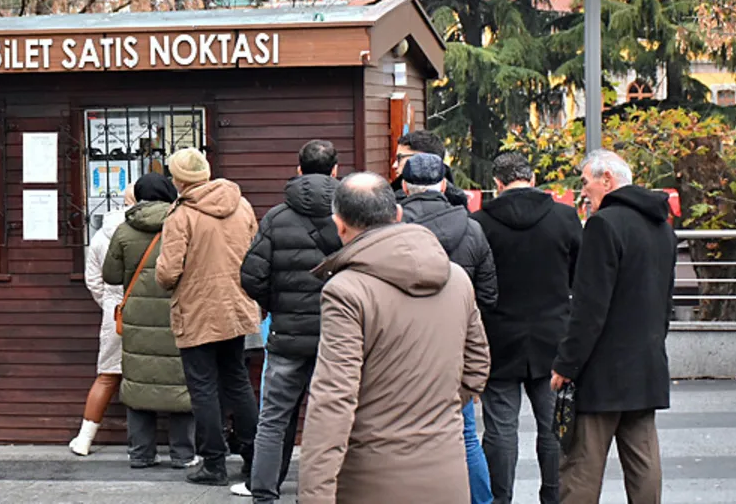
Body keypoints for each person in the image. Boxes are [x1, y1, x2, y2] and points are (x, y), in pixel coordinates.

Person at [298, 172, 490, 504]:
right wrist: (432, 408)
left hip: (370, 477)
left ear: (338, 224)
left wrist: (316, 494)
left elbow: (333, 400)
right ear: (398, 214)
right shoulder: (456, 278)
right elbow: (477, 366)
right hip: (446, 471)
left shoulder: (346, 291)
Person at [551, 150, 677, 503]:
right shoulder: (662, 227)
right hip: (647, 364)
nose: (583, 191)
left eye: (586, 182)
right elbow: (665, 302)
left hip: (602, 371)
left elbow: (589, 307)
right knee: (643, 460)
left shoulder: (604, 225)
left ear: (607, 180)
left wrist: (566, 364)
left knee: (581, 466)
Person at [470, 152, 582, 504]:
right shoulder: (565, 218)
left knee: (501, 428)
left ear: (498, 185)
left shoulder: (481, 223)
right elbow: (581, 277)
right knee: (554, 426)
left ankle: (500, 498)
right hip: (554, 338)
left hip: (499, 338)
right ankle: (554, 496)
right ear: (533, 180)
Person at [237, 139, 343, 502]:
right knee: (333, 418)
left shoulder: (276, 217)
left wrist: (276, 306)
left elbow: (251, 275)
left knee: (274, 418)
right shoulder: (352, 217)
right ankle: (325, 491)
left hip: (286, 335)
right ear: (335, 171)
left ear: (298, 170)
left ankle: (263, 491)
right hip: (338, 337)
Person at [156, 147, 261, 487]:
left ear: (179, 180)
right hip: (237, 305)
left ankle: (213, 463)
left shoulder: (181, 215)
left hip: (197, 309)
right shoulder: (240, 204)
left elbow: (168, 272)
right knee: (237, 380)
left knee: (203, 387)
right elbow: (255, 251)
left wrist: (161, 275)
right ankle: (253, 456)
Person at [398, 152, 496, 504]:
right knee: (466, 435)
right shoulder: (472, 229)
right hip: (455, 345)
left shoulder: (393, 230)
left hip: (402, 346)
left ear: (405, 186)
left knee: (403, 434)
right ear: (443, 185)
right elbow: (488, 294)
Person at [102, 174, 201, 469]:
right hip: (177, 312)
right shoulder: (183, 224)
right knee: (182, 380)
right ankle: (183, 454)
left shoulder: (123, 231)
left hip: (138, 319)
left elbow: (111, 276)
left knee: (138, 381)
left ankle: (142, 453)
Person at [68, 185, 136, 456]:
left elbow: (93, 279)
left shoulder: (102, 233)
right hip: (155, 311)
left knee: (108, 374)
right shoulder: (163, 226)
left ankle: (85, 438)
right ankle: (149, 444)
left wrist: (110, 303)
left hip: (116, 310)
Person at [390, 129, 468, 206]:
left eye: (400, 158)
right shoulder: (457, 205)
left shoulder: (395, 204)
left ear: (424, 158)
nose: (394, 165)